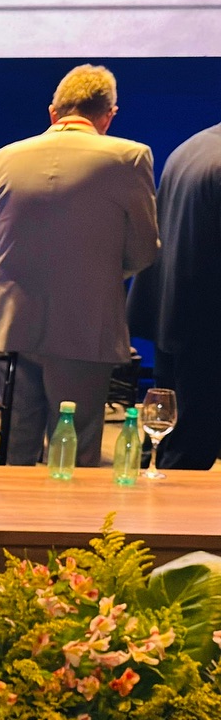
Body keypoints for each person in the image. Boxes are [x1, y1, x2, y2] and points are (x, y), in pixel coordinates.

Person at [0, 64, 159, 466]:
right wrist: (97, 276)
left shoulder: (2, 158)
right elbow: (144, 251)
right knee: (74, 451)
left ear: (53, 113)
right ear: (108, 115)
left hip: (11, 324)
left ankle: (5, 525)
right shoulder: (129, 157)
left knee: (14, 448)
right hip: (86, 327)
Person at [126, 121, 221, 470]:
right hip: (207, 330)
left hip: (174, 315)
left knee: (172, 442)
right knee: (189, 451)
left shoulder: (192, 146)